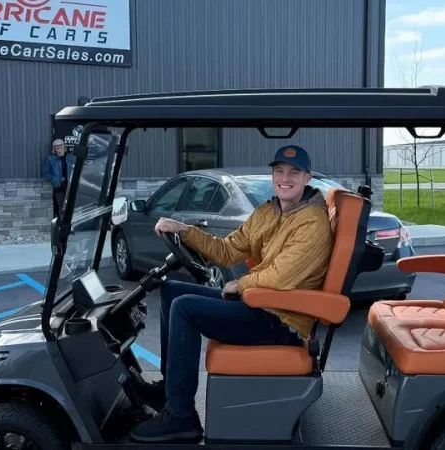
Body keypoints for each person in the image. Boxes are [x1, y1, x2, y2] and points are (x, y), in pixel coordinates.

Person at [129, 145, 334, 443]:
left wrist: (240, 285)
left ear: (307, 178)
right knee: (172, 291)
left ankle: (182, 416)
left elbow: (281, 277)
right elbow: (227, 250)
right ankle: (169, 392)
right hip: (260, 305)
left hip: (281, 320)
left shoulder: (312, 222)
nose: (285, 178)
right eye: (280, 171)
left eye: (294, 173)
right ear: (273, 175)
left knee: (186, 308)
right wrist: (185, 230)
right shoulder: (269, 211)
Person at [43, 139, 75, 218]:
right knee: (62, 207)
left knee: (71, 207)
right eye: (56, 146)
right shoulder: (51, 159)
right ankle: (61, 226)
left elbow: (76, 168)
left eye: (60, 145)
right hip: (59, 186)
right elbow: (46, 174)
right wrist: (56, 179)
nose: (59, 147)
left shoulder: (70, 157)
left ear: (64, 146)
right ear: (54, 148)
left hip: (70, 186)